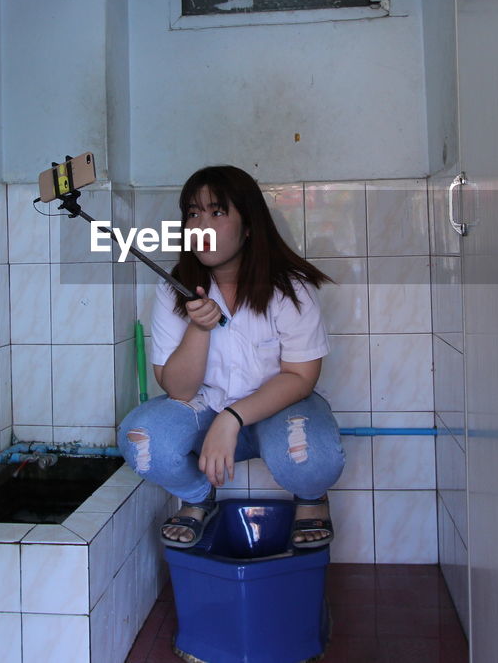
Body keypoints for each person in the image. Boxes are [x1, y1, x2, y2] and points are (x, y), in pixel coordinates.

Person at [117, 165, 344, 549]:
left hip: (277, 412)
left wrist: (232, 418)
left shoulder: (291, 289)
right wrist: (199, 328)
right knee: (141, 441)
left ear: (249, 225)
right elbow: (177, 389)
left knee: (311, 459)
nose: (200, 225)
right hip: (206, 410)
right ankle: (197, 495)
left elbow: (302, 377)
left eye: (217, 212)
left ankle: (311, 496)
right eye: (192, 213)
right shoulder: (172, 289)